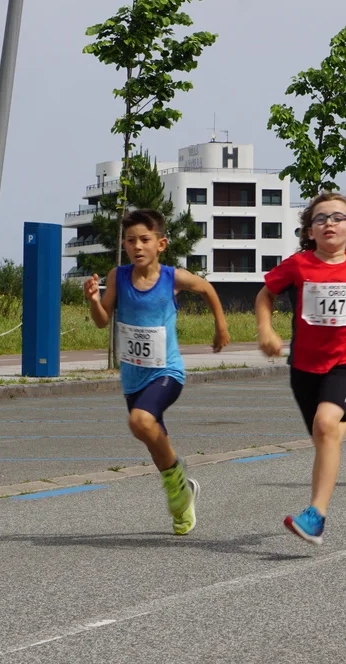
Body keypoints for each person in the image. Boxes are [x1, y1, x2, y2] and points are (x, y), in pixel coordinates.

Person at [84, 208, 231, 535]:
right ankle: (183, 494)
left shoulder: (172, 277)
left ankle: (177, 482)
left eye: (144, 240)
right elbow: (102, 321)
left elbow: (207, 289)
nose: (137, 246)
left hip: (167, 372)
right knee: (152, 440)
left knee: (140, 421)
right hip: (133, 377)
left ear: (161, 244)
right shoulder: (118, 276)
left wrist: (220, 326)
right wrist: (94, 300)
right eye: (130, 240)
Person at [255, 191, 346, 545]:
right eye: (320, 218)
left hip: (344, 361)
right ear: (310, 231)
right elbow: (265, 294)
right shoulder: (298, 265)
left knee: (326, 427)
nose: (329, 223)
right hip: (304, 366)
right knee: (324, 437)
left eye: (338, 218)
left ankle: (316, 515)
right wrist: (266, 329)